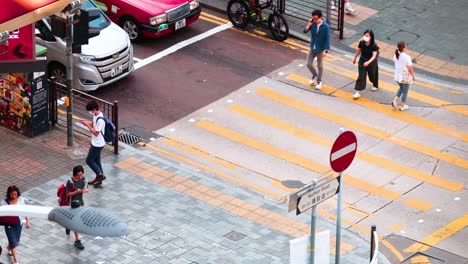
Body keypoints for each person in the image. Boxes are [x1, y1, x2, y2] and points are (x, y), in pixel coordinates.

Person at [1, 185, 30, 264]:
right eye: (12, 194)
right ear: (9, 194)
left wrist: (27, 221)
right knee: (13, 240)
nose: (14, 196)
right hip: (9, 224)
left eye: (15, 194)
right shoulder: (4, 203)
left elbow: (25, 210)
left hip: (18, 224)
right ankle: (15, 260)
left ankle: (8, 247)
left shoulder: (20, 200)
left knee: (15, 240)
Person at [303, 9, 331, 90]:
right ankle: (315, 75)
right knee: (308, 64)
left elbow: (327, 39)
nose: (314, 20)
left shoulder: (326, 27)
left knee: (320, 66)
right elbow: (305, 31)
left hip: (320, 49)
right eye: (313, 18)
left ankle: (319, 81)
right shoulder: (313, 24)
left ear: (320, 17)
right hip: (312, 47)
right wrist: (309, 24)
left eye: (316, 19)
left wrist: (326, 51)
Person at [81, 100, 107, 185]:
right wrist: (86, 123)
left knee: (89, 160)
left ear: (95, 109)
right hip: (96, 142)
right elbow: (93, 125)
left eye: (91, 110)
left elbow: (96, 133)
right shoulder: (95, 115)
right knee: (96, 160)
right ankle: (99, 178)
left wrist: (87, 125)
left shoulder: (100, 120)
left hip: (98, 144)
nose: (90, 112)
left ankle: (100, 175)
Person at [352, 29, 379, 99]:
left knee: (372, 75)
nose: (365, 37)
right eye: (365, 35)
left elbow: (374, 56)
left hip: (371, 62)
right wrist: (355, 58)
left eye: (367, 36)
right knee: (361, 75)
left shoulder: (374, 45)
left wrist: (368, 62)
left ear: (371, 37)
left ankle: (375, 84)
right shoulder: (361, 43)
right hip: (362, 60)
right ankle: (358, 91)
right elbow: (358, 51)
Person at [66, 165, 88, 250]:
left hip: (80, 202)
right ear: (75, 174)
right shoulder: (70, 181)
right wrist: (75, 192)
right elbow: (68, 194)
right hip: (72, 203)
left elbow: (86, 189)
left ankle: (68, 225)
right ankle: (77, 240)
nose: (80, 176)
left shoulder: (83, 179)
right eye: (79, 174)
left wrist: (83, 190)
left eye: (81, 174)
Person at [392, 41, 416, 111]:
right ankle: (402, 106)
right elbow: (410, 68)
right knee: (405, 91)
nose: (407, 46)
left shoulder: (396, 55)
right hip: (404, 77)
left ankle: (395, 101)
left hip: (397, 77)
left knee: (401, 88)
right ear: (404, 48)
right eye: (406, 45)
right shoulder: (407, 57)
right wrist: (413, 76)